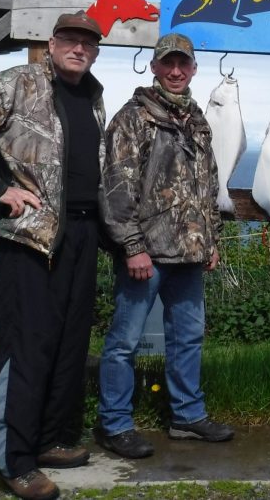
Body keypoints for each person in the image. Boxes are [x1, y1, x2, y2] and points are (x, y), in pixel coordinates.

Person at [0, 11, 106, 499]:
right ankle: (13, 460)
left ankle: (51, 439)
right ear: (52, 43)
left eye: (88, 43)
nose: (79, 48)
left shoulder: (94, 95)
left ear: (95, 51)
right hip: (29, 237)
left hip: (81, 234)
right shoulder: (17, 82)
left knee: (69, 343)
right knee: (26, 345)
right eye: (71, 40)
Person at [96, 32, 233, 459]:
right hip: (147, 255)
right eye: (167, 63)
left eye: (183, 64)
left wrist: (212, 239)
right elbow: (117, 188)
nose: (176, 71)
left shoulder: (198, 120)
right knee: (125, 342)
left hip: (191, 254)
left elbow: (208, 185)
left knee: (188, 339)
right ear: (154, 67)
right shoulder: (133, 117)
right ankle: (115, 424)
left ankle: (186, 416)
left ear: (193, 69)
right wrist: (132, 246)